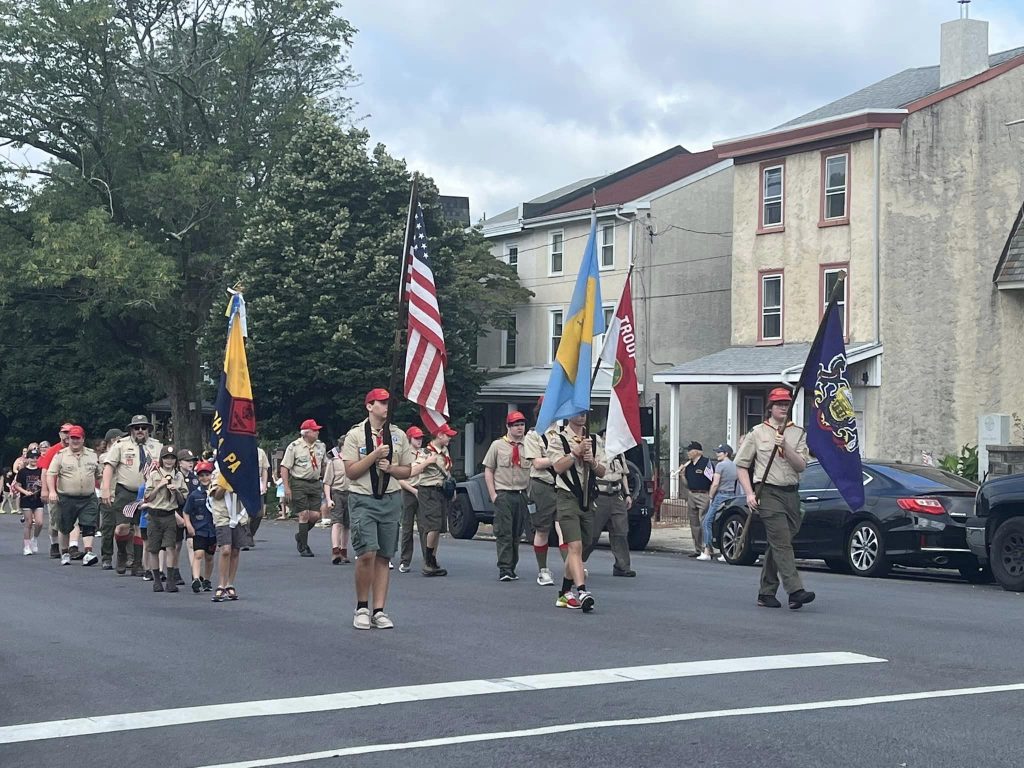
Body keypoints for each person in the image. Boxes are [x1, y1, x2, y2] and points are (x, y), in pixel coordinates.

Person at [735, 387, 816, 610]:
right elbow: (741, 465)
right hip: (768, 492)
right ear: (769, 407)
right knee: (781, 540)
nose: (783, 407)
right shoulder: (757, 432)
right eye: (778, 404)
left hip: (791, 493)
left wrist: (785, 446)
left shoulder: (797, 433)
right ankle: (795, 590)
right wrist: (749, 493)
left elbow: (801, 466)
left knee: (779, 543)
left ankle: (766, 591)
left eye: (786, 404)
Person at [341, 388, 413, 630]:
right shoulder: (355, 435)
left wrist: (391, 468)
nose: (386, 407)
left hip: (390, 499)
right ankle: (361, 606)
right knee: (367, 552)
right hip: (363, 498)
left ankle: (379, 610)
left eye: (388, 403)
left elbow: (408, 470)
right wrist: (374, 455)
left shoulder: (398, 435)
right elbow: (351, 471)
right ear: (369, 406)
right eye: (381, 403)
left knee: (384, 556)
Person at [545, 411, 607, 612]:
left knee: (585, 545)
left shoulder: (594, 440)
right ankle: (582, 591)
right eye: (577, 413)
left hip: (588, 499)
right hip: (567, 498)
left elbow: (603, 471)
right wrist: (574, 453)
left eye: (584, 413)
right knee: (575, 546)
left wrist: (591, 461)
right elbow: (558, 466)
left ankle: (564, 592)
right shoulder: (558, 439)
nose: (581, 417)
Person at [100, 415, 162, 574]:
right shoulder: (121, 445)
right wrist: (105, 489)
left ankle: (136, 563)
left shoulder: (157, 446)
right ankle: (121, 553)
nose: (140, 430)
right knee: (122, 528)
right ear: (131, 430)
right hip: (126, 491)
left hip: (148, 491)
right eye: (136, 427)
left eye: (144, 427)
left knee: (141, 528)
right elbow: (109, 467)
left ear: (149, 429)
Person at [482, 411, 530, 581]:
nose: (519, 428)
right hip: (504, 493)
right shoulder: (497, 445)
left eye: (522, 424)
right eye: (516, 425)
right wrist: (493, 494)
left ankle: (512, 566)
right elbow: (489, 470)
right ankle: (504, 568)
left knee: (517, 533)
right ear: (508, 427)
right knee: (504, 532)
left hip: (521, 493)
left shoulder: (528, 445)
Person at [46, 425, 102, 566]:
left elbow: (99, 475)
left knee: (89, 524)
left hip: (88, 497)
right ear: (68, 439)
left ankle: (88, 552)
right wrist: (52, 491)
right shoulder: (61, 455)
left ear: (83, 439)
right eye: (72, 438)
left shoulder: (92, 455)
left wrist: (106, 490)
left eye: (78, 438)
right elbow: (50, 473)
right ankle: (65, 552)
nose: (75, 441)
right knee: (65, 526)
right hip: (66, 497)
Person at [523, 399, 563, 586]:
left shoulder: (562, 434)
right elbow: (537, 463)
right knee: (542, 529)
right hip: (542, 486)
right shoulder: (534, 435)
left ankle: (571, 566)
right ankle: (543, 570)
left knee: (565, 527)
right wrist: (558, 458)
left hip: (561, 486)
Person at [411, 423, 456, 577]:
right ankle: (428, 560)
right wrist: (427, 462)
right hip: (428, 491)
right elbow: (414, 470)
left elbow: (447, 471)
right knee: (433, 525)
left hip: (440, 491)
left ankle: (433, 559)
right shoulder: (425, 452)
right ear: (439, 435)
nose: (450, 437)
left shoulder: (444, 451)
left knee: (439, 527)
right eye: (447, 435)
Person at [142, 446, 188, 592]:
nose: (169, 461)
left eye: (172, 458)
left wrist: (177, 491)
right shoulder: (154, 475)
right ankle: (156, 579)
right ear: (161, 459)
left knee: (171, 547)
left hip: (169, 515)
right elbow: (147, 497)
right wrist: (159, 486)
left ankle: (170, 579)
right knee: (154, 548)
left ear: (176, 460)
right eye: (166, 458)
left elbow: (182, 500)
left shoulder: (179, 476)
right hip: (155, 514)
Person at [584, 446, 635, 577]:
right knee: (593, 533)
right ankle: (578, 562)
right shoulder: (596, 449)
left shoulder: (619, 453)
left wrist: (627, 494)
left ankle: (622, 566)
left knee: (621, 531)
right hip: (600, 494)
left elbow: (623, 475)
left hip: (616, 495)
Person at [280, 419, 327, 557]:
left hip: (315, 482)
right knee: (304, 514)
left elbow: (324, 465)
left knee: (315, 515)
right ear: (306, 433)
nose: (317, 432)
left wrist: (326, 481)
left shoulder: (321, 446)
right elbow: (285, 467)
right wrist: (287, 487)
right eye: (314, 430)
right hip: (299, 482)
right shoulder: (294, 446)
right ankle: (304, 546)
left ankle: (301, 535)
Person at [208, 464, 252, 602]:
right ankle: (221, 584)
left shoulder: (243, 471)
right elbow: (217, 495)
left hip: (239, 512)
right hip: (223, 514)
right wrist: (227, 480)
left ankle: (229, 584)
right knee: (225, 549)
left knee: (235, 550)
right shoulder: (218, 473)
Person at [698, 444, 741, 561]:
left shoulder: (720, 466)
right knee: (724, 522)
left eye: (720, 452)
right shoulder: (735, 466)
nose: (717, 454)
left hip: (720, 495)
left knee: (707, 521)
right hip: (732, 495)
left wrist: (711, 495)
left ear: (726, 453)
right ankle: (724, 552)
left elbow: (715, 483)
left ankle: (707, 551)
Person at [40, 424, 77, 558]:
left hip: (72, 491)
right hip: (55, 490)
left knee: (74, 520)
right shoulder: (53, 450)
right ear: (60, 434)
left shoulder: (78, 450)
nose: (67, 435)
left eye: (70, 432)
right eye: (65, 432)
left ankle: (73, 546)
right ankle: (54, 544)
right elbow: (44, 471)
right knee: (55, 521)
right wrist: (45, 490)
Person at [183, 461, 216, 593]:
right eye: (201, 475)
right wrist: (189, 525)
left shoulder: (216, 493)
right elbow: (186, 511)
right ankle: (196, 579)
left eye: (207, 475)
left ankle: (207, 579)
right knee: (198, 553)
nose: (204, 478)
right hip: (199, 529)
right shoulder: (194, 495)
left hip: (212, 531)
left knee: (209, 556)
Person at [396, 426, 426, 572]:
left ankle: (429, 560)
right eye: (416, 438)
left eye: (420, 437)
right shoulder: (404, 454)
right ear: (409, 438)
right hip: (408, 491)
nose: (419, 440)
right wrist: (413, 490)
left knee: (424, 527)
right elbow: (399, 478)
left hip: (423, 490)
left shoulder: (424, 454)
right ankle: (405, 561)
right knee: (407, 528)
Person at [679, 441, 713, 558]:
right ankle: (697, 548)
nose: (688, 453)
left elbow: (712, 480)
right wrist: (682, 475)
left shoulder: (706, 463)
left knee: (704, 521)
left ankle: (707, 548)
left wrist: (711, 495)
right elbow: (686, 484)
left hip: (703, 494)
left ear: (697, 451)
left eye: (690, 450)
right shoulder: (688, 465)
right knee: (694, 523)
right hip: (692, 494)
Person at [323, 440, 352, 565]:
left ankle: (343, 550)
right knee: (337, 522)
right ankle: (335, 551)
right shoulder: (334, 463)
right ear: (341, 447)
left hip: (351, 494)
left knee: (347, 524)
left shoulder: (354, 462)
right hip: (337, 493)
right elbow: (327, 483)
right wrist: (329, 499)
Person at [14, 449, 44, 556]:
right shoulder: (23, 471)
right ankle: (26, 546)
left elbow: (45, 483)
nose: (34, 460)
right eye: (32, 457)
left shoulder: (41, 471)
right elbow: (17, 485)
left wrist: (42, 485)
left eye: (36, 458)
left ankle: (34, 539)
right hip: (26, 500)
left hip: (38, 499)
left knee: (40, 522)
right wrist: (25, 492)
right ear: (28, 458)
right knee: (29, 522)